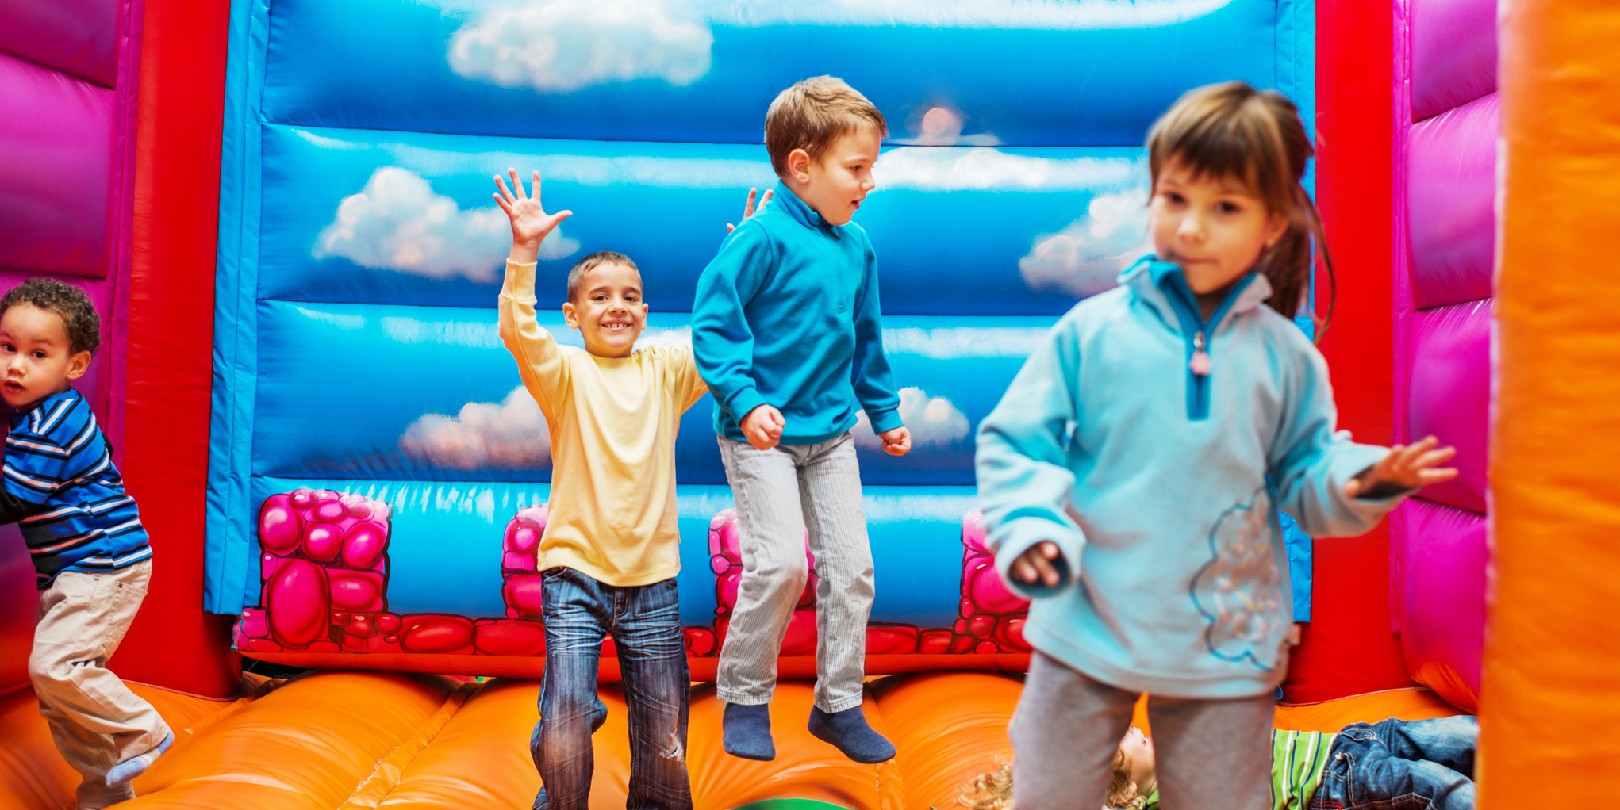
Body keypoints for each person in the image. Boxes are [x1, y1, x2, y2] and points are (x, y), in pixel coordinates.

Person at [972, 80, 1459, 810]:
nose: (1192, 228)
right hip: (1089, 620)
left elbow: (1306, 473)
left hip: (1223, 638)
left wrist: (1363, 479)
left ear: (1271, 225)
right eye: (1175, 199)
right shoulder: (1093, 333)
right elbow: (1018, 442)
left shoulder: (1284, 358)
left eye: (1223, 208)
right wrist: (1031, 524)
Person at [494, 169, 742, 809]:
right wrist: (525, 250)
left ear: (646, 312)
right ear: (574, 316)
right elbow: (519, 331)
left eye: (630, 296)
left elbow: (721, 339)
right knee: (567, 723)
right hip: (574, 571)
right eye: (600, 298)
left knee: (665, 738)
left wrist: (744, 262)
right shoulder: (565, 375)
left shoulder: (664, 370)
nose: (617, 307)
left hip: (652, 580)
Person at [691, 75, 911, 764]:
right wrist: (744, 399)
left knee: (852, 570)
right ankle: (745, 695)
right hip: (764, 438)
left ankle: (838, 704)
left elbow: (865, 336)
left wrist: (884, 412)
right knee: (782, 563)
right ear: (801, 165)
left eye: (871, 167)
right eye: (857, 168)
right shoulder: (760, 239)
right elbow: (713, 324)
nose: (867, 182)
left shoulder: (857, 247)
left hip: (833, 435)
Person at [2, 278, 173, 809]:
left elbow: (14, 497)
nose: (16, 365)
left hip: (103, 565)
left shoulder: (50, 422)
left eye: (37, 354)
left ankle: (141, 730)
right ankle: (107, 788)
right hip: (76, 569)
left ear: (74, 366)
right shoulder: (50, 413)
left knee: (56, 669)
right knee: (60, 699)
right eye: (7, 347)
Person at [957, 717, 1479, 810]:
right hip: (1336, 783)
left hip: (1348, 741)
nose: (1134, 728)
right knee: (1441, 789)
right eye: (1125, 739)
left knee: (1467, 734)